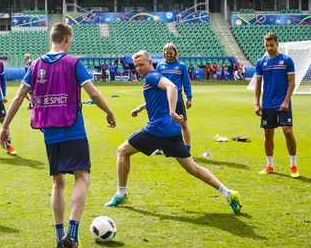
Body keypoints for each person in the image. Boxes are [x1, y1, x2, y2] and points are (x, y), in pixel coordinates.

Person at [0, 22, 117, 248]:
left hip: (50, 132)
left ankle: (59, 236)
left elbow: (20, 96)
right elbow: (93, 93)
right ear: (68, 38)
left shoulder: (35, 64)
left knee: (58, 182)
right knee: (82, 176)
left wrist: (4, 126)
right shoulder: (73, 62)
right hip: (73, 128)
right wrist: (109, 112)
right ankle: (72, 233)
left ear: (51, 38)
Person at [104, 51, 242, 214]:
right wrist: (141, 107)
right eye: (136, 65)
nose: (139, 68)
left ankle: (121, 194)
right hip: (172, 132)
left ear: (150, 62)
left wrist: (171, 111)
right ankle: (228, 193)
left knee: (122, 151)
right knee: (193, 168)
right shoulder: (154, 78)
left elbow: (172, 87)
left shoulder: (152, 76)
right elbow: (159, 96)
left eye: (141, 64)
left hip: (157, 130)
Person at [254, 33, 298, 177]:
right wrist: (256, 103)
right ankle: (269, 165)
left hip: (283, 103)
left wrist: (286, 101)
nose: (269, 48)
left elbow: (292, 82)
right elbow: (258, 84)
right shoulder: (261, 62)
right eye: (267, 45)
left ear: (277, 44)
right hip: (267, 104)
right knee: (268, 134)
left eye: (271, 45)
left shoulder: (286, 60)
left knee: (287, 131)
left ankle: (293, 165)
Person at [153, 43, 194, 151]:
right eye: (167, 53)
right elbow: (156, 81)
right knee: (161, 123)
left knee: (183, 123)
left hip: (177, 100)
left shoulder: (181, 66)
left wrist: (189, 97)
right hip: (162, 99)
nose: (169, 55)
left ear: (175, 53)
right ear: (164, 54)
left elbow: (186, 82)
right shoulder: (160, 66)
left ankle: (187, 147)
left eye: (171, 53)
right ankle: (161, 147)